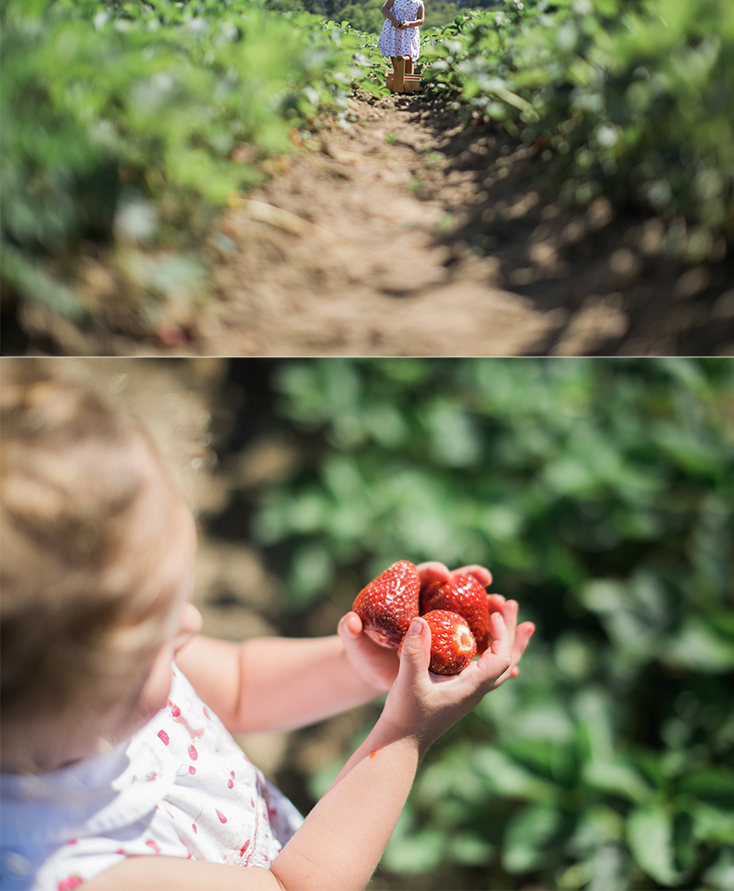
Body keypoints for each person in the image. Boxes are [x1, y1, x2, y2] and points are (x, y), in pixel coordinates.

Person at [0, 363, 535, 891]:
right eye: (160, 632)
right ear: (75, 690)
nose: (191, 624)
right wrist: (406, 734)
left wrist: (358, 667)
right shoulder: (77, 872)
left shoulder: (96, 676)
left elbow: (238, 684)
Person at [377, 0, 426, 91]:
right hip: (394, 30)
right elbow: (384, 9)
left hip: (408, 33)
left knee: (409, 56)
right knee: (395, 53)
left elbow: (421, 20)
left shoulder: (419, 3)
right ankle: (398, 80)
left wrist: (409, 23)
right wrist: (393, 19)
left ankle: (409, 82)